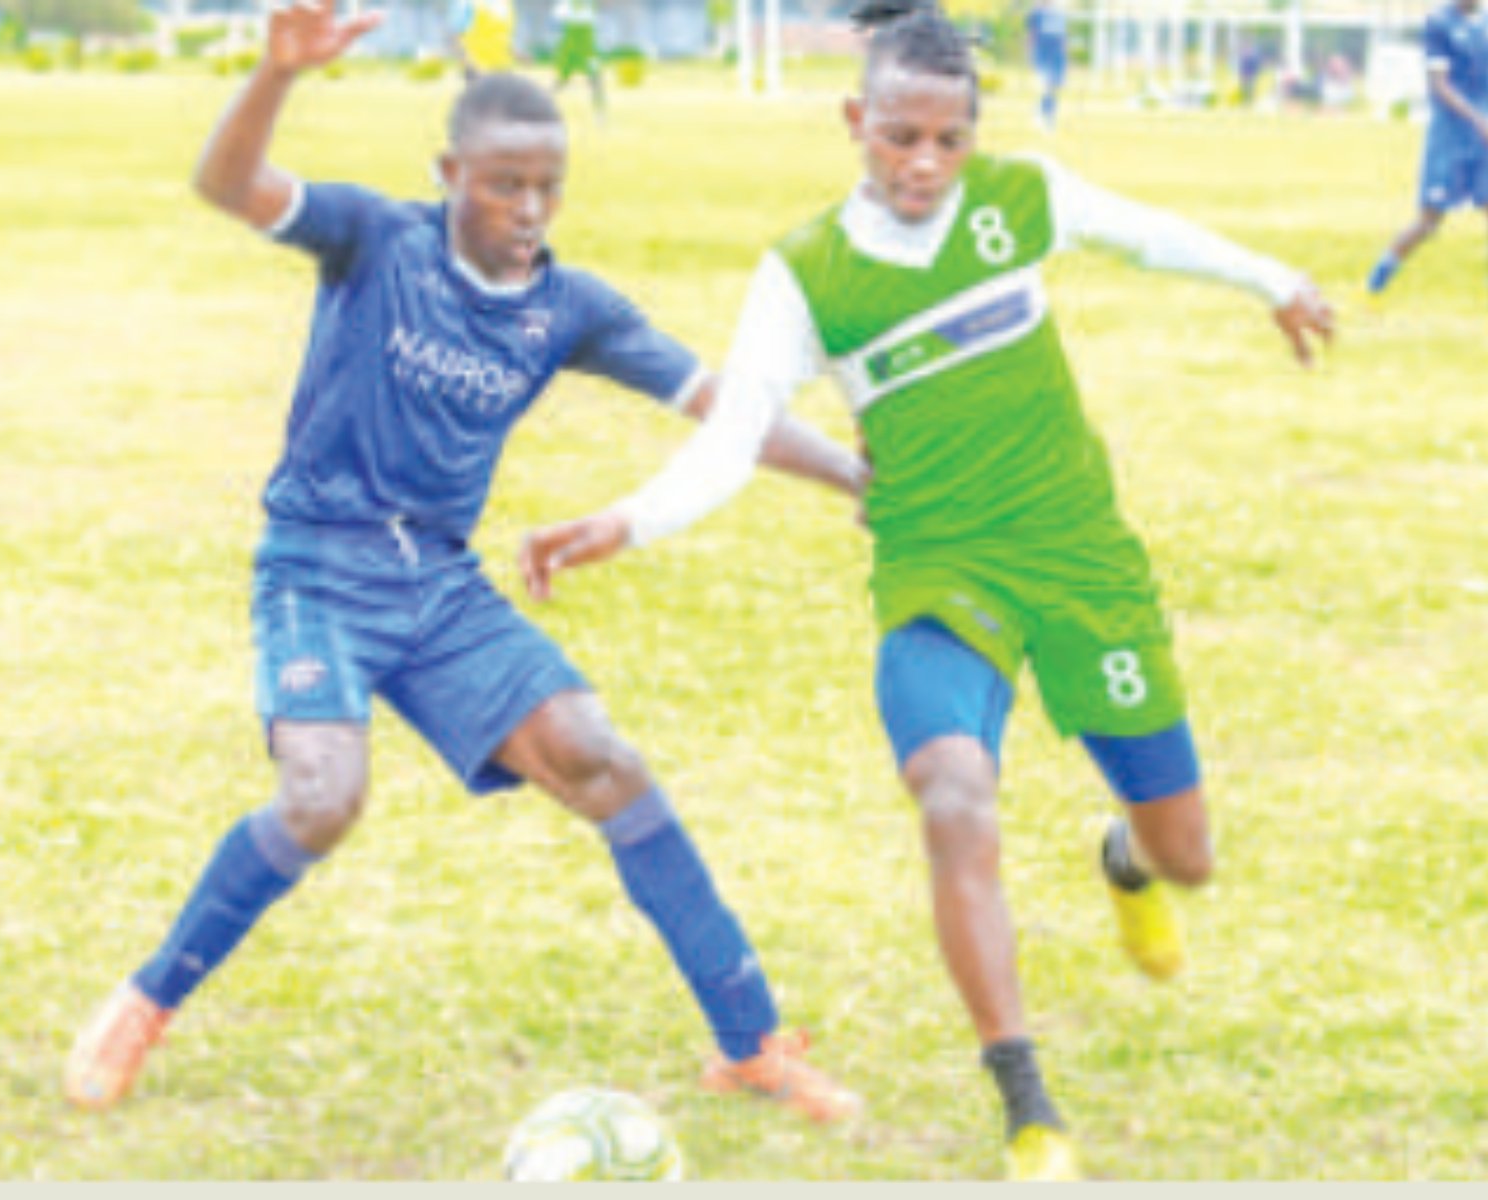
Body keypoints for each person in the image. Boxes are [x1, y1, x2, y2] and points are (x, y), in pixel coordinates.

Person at [520, 8, 1335, 1181]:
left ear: (972, 134)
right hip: (937, 576)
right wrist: (624, 521)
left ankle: (1128, 857)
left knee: (1190, 854)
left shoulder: (1018, 199)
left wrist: (1274, 281)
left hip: (1080, 563)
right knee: (955, 796)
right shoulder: (804, 274)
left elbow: (1145, 236)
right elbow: (732, 436)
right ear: (855, 121)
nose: (922, 165)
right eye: (897, 136)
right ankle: (1026, 1103)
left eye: (946, 141)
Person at [64, 0, 870, 1126]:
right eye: (503, 185)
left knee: (601, 760)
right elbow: (226, 184)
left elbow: (723, 410)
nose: (528, 209)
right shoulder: (373, 239)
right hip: (318, 566)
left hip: (438, 587)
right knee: (320, 798)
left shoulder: (568, 307)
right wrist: (274, 74)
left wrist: (856, 477)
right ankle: (146, 1002)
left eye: (547, 186)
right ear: (449, 171)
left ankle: (751, 1047)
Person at [1368, 0, 1488, 295]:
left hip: (1482, 136)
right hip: (1450, 137)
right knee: (1429, 221)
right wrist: (1476, 118)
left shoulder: (1482, 23)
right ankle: (1378, 278)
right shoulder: (1439, 23)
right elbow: (1440, 85)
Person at [551, 0, 604, 119]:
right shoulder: (567, 4)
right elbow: (558, 18)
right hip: (571, 46)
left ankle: (599, 113)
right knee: (561, 81)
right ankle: (542, 107)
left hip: (587, 48)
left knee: (595, 79)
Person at [1025, 0, 1068, 132]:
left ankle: (1045, 113)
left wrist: (1065, 53)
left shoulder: (1059, 12)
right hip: (1042, 53)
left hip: (1057, 55)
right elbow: (1031, 34)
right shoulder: (1036, 13)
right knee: (1045, 86)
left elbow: (1063, 36)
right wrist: (1030, 52)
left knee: (1053, 88)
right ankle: (1045, 117)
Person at [448, 0, 517, 79]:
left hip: (504, 70)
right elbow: (454, 38)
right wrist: (469, 67)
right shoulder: (467, 3)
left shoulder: (507, 3)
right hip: (478, 72)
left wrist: (516, 56)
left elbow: (503, 36)